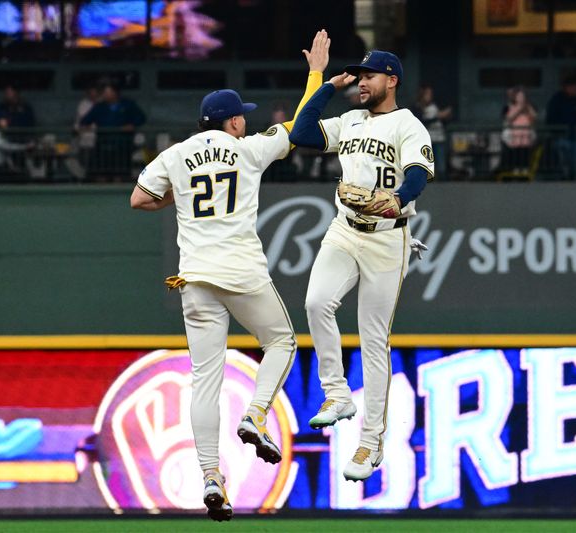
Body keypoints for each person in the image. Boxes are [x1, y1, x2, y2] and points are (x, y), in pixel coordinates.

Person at [129, 30, 329, 522]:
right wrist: (317, 74)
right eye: (244, 114)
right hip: (241, 272)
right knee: (280, 341)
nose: (247, 119)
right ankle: (255, 415)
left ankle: (210, 477)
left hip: (194, 278)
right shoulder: (250, 148)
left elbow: (138, 199)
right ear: (234, 120)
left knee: (204, 382)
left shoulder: (176, 154)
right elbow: (301, 125)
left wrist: (179, 195)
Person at [289, 50, 433, 482]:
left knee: (373, 340)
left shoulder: (408, 124)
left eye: (370, 75)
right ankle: (336, 394)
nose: (361, 82)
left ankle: (370, 442)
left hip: (389, 237)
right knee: (316, 303)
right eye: (360, 75)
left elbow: (418, 174)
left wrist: (398, 199)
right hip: (345, 228)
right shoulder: (350, 121)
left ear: (392, 80)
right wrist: (326, 85)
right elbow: (302, 133)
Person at [80, 82, 146, 181]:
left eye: (108, 92)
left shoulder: (128, 104)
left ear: (115, 93)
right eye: (104, 92)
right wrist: (86, 127)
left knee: (120, 172)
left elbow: (141, 118)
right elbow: (85, 121)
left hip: (122, 144)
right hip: (103, 144)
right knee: (100, 172)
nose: (105, 95)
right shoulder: (99, 106)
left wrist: (132, 125)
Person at [546, 75, 576, 179]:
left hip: (575, 137)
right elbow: (551, 118)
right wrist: (557, 132)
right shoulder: (557, 100)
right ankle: (564, 179)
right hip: (561, 137)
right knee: (563, 163)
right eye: (575, 88)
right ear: (568, 87)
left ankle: (574, 179)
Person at [412, 84, 451, 177]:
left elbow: (444, 121)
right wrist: (437, 117)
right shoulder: (418, 107)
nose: (429, 96)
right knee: (426, 159)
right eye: (427, 94)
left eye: (430, 94)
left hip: (439, 137)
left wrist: (445, 117)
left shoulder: (435, 105)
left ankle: (442, 175)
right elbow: (421, 121)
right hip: (426, 138)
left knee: (440, 159)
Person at [500, 86, 537, 174]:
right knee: (516, 151)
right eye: (519, 97)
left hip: (526, 133)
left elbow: (533, 118)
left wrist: (527, 109)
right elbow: (509, 119)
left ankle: (525, 168)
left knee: (525, 151)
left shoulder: (529, 107)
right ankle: (516, 168)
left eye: (522, 97)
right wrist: (519, 110)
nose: (521, 99)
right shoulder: (511, 107)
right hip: (516, 133)